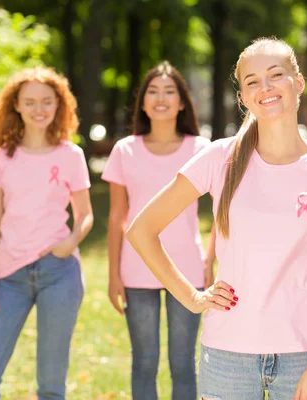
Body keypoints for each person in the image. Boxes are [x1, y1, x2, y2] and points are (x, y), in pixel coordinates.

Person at [125, 37, 307, 400]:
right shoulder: (218, 158)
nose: (265, 88)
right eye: (252, 81)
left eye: (276, 75)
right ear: (243, 96)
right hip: (227, 356)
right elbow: (141, 230)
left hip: (303, 354)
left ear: (298, 82)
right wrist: (191, 297)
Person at [0, 67, 93, 400]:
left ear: (58, 105)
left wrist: (69, 243)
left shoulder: (71, 155)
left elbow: (85, 215)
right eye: (30, 102)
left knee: (51, 384)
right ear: (17, 106)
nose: (39, 109)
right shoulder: (3, 156)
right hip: (8, 276)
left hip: (59, 273)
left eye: (47, 102)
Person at [102, 61, 213, 400]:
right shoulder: (125, 150)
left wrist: (210, 261)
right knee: (144, 363)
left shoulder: (202, 149)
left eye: (170, 91)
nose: (160, 98)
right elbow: (117, 217)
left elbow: (224, 213)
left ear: (182, 102)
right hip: (136, 271)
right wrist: (113, 275)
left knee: (183, 363)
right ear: (143, 102)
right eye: (153, 91)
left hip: (187, 270)